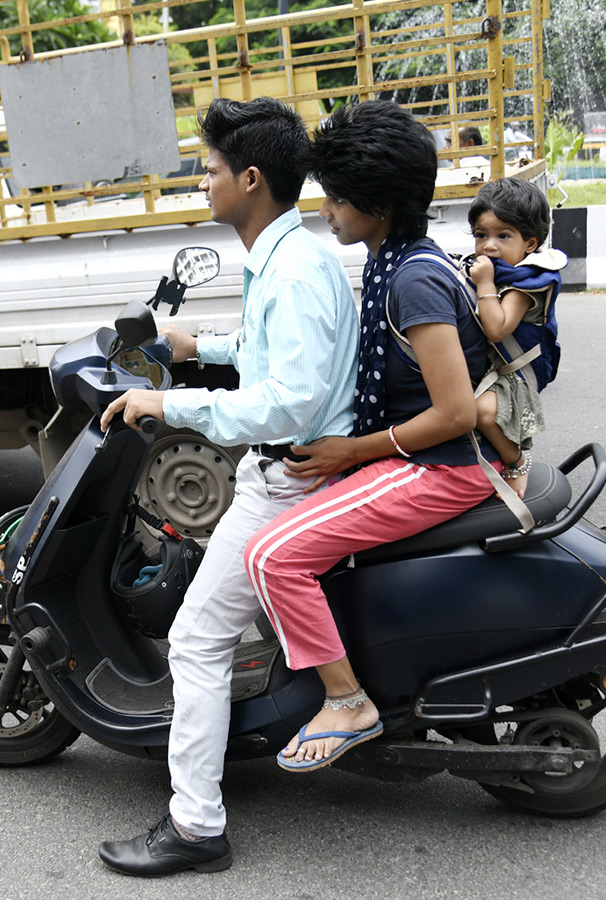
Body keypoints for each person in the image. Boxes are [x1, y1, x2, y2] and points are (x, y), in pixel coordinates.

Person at [96, 96, 358, 876]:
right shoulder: (282, 258)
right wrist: (194, 345)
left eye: (210, 170)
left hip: (289, 481)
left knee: (197, 640)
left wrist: (166, 401)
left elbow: (290, 400)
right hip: (279, 472)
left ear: (250, 178)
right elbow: (265, 350)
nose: (201, 181)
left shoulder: (294, 271)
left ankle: (196, 825)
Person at [243, 100, 500, 773]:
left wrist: (350, 451)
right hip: (423, 457)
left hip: (439, 467)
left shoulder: (411, 280)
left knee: (272, 556)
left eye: (336, 197)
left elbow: (454, 414)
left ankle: (347, 701)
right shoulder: (400, 256)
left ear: (377, 203)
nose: (326, 210)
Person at [467, 176, 566, 497]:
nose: (489, 245)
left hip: (516, 372)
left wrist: (483, 284)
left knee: (481, 410)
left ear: (530, 244)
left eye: (503, 235)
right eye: (481, 235)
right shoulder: (503, 268)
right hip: (495, 363)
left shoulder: (527, 281)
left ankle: (517, 463)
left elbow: (498, 328)